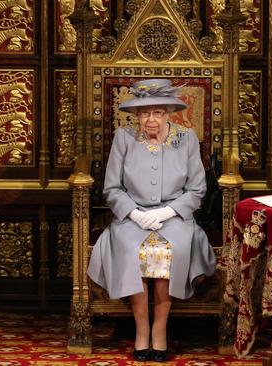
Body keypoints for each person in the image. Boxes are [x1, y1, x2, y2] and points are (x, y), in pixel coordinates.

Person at [87, 79, 216, 362]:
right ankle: (141, 328)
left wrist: (166, 213)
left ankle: (160, 329)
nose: (151, 119)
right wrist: (135, 214)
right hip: (131, 218)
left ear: (169, 113)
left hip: (175, 218)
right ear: (136, 115)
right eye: (144, 113)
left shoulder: (187, 139)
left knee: (169, 252)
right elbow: (111, 188)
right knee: (132, 250)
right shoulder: (124, 138)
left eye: (157, 113)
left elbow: (197, 190)